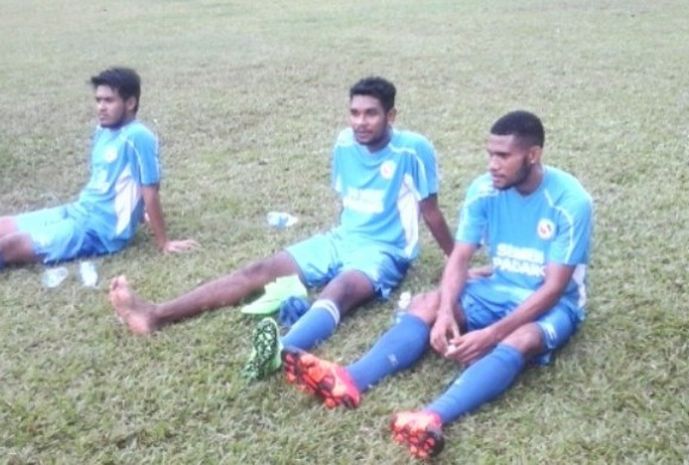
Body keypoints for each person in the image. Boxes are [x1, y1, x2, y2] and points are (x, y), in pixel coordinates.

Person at [282, 110, 594, 459]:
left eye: (503, 156)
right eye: (490, 153)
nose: (492, 164)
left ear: (533, 155)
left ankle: (431, 417)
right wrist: (446, 311)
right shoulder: (483, 190)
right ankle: (350, 380)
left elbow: (553, 289)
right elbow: (459, 258)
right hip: (496, 288)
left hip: (553, 303)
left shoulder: (570, 202)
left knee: (522, 338)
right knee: (428, 303)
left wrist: (491, 335)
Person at [109, 76, 454, 381]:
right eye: (355, 113)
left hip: (384, 250)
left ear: (390, 116)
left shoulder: (413, 149)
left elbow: (431, 213)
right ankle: (155, 314)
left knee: (342, 287)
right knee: (259, 269)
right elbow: (348, 198)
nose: (360, 122)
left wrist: (456, 261)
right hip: (340, 238)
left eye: (371, 114)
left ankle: (278, 350)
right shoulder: (344, 143)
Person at [0, 67, 197, 271]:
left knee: (9, 245)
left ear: (130, 103)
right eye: (98, 100)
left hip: (98, 231)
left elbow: (149, 191)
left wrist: (163, 242)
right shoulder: (102, 131)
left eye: (109, 101)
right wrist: (139, 214)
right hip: (77, 211)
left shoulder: (138, 137)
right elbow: (119, 181)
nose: (101, 107)